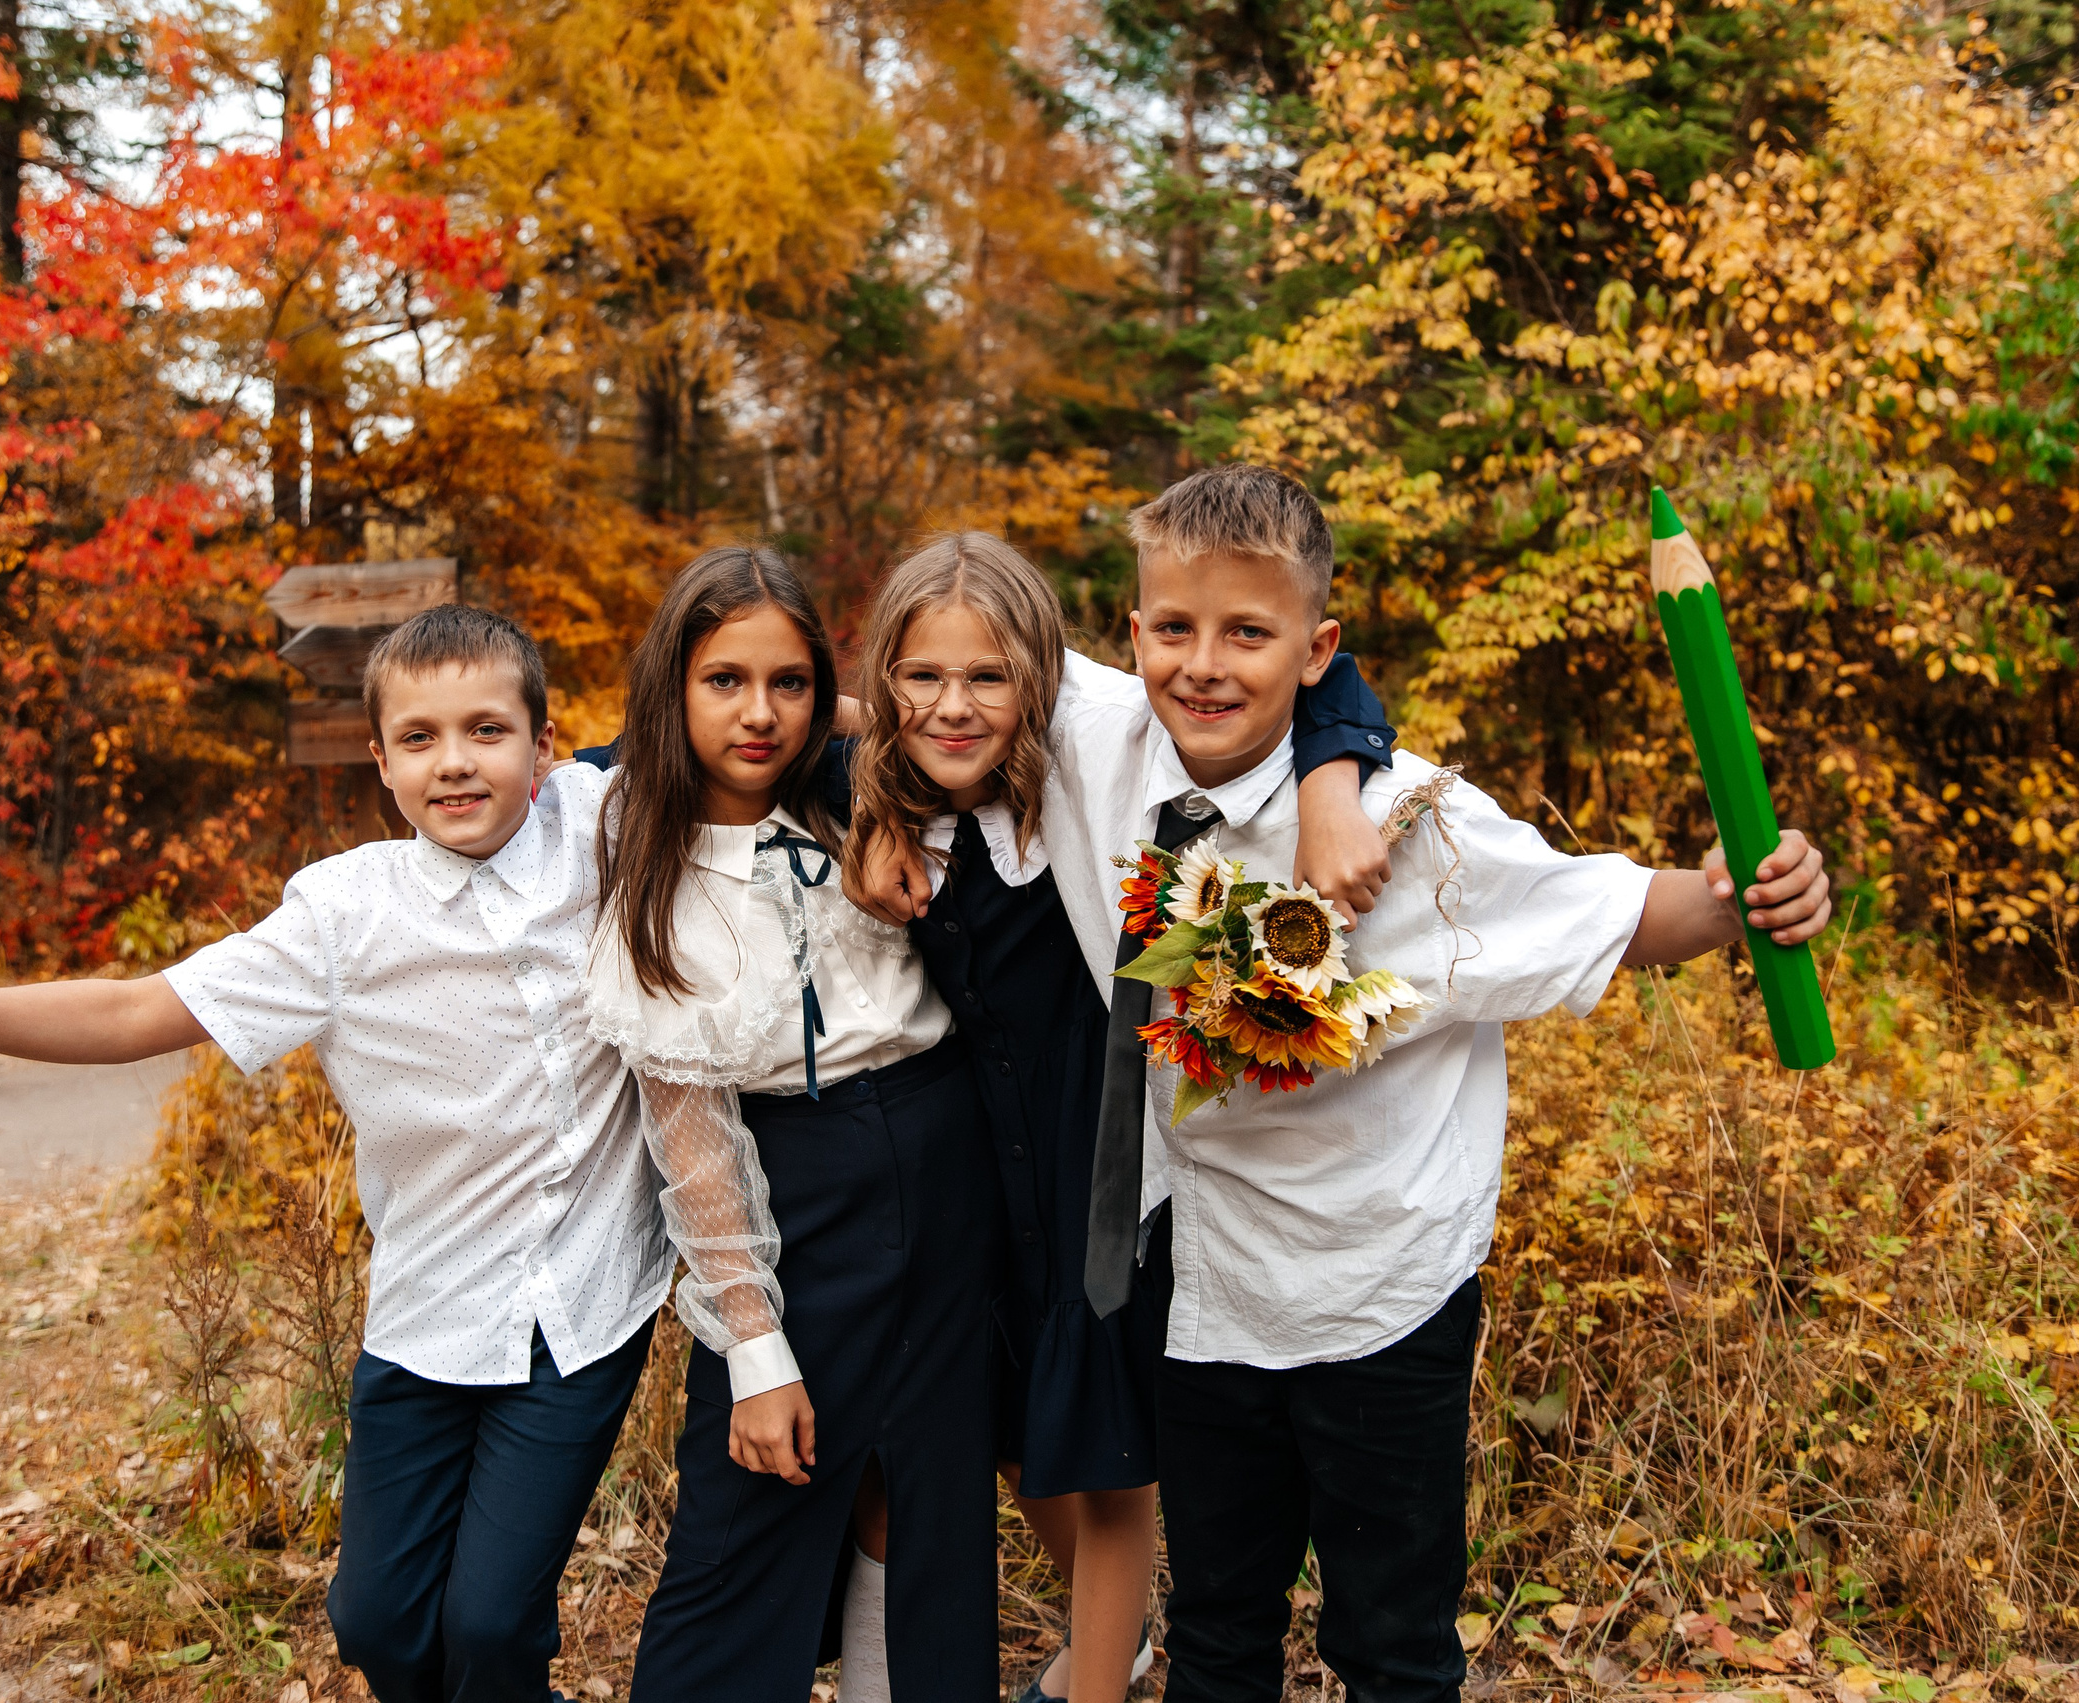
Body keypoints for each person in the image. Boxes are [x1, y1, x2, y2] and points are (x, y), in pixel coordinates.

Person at [853, 464, 1834, 1703]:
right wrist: (871, 797)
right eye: (1174, 629)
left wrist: (1747, 897)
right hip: (1202, 1284)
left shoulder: (1413, 825)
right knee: (1219, 1628)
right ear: (1135, 633)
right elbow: (930, 695)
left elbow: (1628, 910)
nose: (1202, 666)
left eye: (1247, 635)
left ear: (1315, 650)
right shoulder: (1100, 737)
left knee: (1389, 1643)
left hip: (1379, 1288)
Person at [0, 604, 673, 1703]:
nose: (455, 761)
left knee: (491, 1624)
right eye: (420, 737)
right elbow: (130, 1011)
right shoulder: (342, 915)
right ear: (380, 760)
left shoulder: (603, 820)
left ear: (545, 746)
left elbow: (745, 709)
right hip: (430, 1310)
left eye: (487, 730)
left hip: (585, 1307)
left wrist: (877, 709)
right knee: (378, 1621)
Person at [837, 532, 1394, 1703]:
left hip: (1091, 1170)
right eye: (921, 676)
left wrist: (1330, 781)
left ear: (1038, 680)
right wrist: (874, 799)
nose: (953, 704)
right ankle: (1118, 1643)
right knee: (1009, 1427)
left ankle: (1097, 1677)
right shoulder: (883, 780)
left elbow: (1322, 678)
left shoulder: (1085, 768)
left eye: (987, 676)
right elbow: (771, 723)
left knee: (1102, 1455)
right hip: (971, 1175)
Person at [584, 543, 996, 1703]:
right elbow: (694, 1144)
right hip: (792, 1195)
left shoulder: (871, 797)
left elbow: (925, 713)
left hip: (945, 1169)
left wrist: (859, 747)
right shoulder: (650, 865)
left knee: (923, 1500)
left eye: (789, 682)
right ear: (672, 689)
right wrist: (755, 1346)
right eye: (724, 680)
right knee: (753, 1498)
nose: (759, 713)